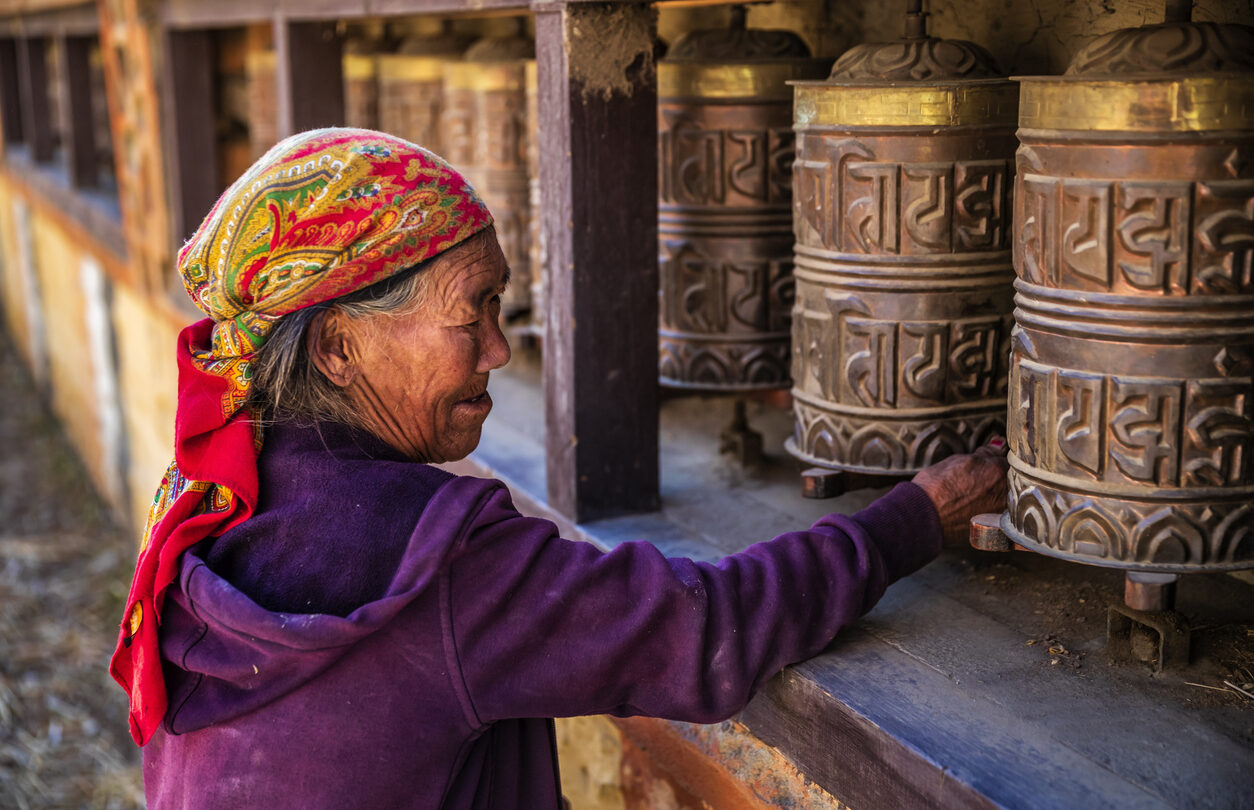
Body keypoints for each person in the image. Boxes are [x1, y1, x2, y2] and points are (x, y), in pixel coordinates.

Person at [111, 128, 1007, 809]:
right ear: (340, 348)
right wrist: (918, 514)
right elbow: (705, 632)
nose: (501, 349)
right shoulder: (436, 562)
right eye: (476, 312)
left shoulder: (226, 493)